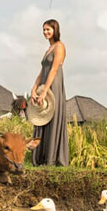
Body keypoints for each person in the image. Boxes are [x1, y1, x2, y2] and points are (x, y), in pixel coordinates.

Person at [30, 19, 68, 166]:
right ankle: (40, 157)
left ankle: (52, 158)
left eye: (48, 29)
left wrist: (45, 91)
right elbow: (42, 70)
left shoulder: (60, 46)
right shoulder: (49, 49)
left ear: (55, 30)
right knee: (40, 115)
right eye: (44, 30)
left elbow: (54, 69)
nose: (45, 32)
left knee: (51, 117)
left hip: (53, 85)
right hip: (44, 83)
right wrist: (34, 88)